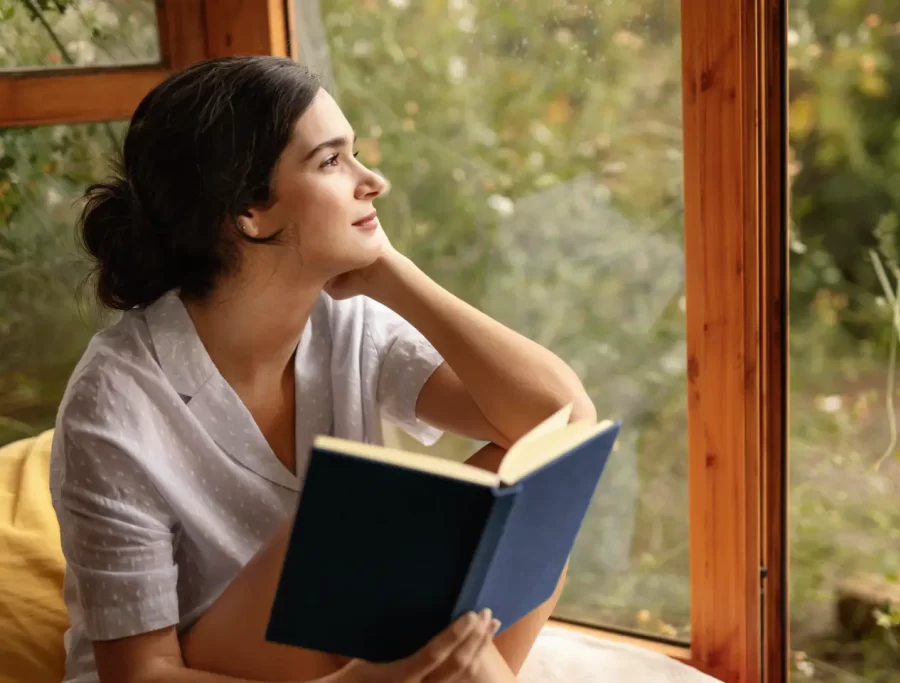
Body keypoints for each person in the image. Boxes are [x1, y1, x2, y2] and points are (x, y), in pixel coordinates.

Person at [50, 55, 596, 683]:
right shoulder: (114, 401)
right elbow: (142, 675)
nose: (373, 181)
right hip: (202, 671)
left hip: (332, 650)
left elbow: (563, 425)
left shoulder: (346, 323)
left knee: (531, 519)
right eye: (333, 161)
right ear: (249, 212)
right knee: (326, 543)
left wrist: (392, 270)